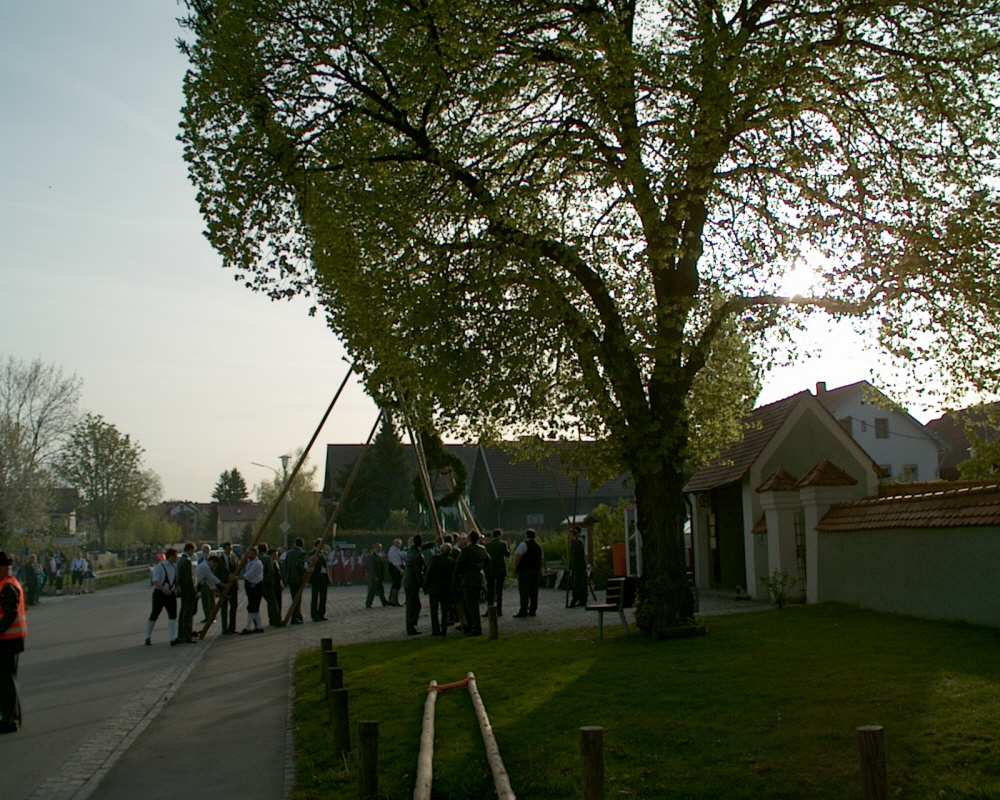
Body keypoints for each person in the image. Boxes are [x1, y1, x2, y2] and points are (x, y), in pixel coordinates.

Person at [0, 551, 26, 733]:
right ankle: (12, 718)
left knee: (6, 682)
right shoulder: (7, 583)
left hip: (8, 639)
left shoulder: (7, 586)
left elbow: (10, 614)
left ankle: (10, 721)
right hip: (10, 639)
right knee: (7, 681)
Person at [455, 531, 490, 636]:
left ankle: (475, 628)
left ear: (469, 539)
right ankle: (471, 625)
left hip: (469, 578)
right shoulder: (482, 549)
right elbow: (488, 560)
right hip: (479, 577)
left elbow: (459, 564)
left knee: (471, 606)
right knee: (474, 604)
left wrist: (460, 573)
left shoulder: (466, 550)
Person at [146, 548, 179, 645]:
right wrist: (163, 589)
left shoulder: (174, 567)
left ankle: (173, 638)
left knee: (173, 615)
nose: (177, 558)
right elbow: (155, 581)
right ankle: (148, 637)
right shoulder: (160, 567)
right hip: (159, 593)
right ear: (171, 556)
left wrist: (177, 586)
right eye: (176, 556)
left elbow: (175, 580)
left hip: (171, 593)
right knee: (154, 614)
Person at [423, 543, 454, 636]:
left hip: (434, 588)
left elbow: (429, 574)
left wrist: (425, 586)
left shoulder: (435, 560)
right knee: (445, 610)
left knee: (434, 610)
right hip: (446, 589)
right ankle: (444, 629)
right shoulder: (452, 561)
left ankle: (435, 629)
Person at [513, 529, 544, 618]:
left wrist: (515, 568)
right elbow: (541, 559)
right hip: (535, 570)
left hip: (525, 571)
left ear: (526, 535)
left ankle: (523, 610)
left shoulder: (523, 544)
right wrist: (540, 569)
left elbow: (518, 556)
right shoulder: (539, 546)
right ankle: (533, 610)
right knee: (534, 592)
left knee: (524, 591)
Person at [403, 535, 430, 635]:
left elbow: (423, 547)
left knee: (413, 605)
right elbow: (418, 572)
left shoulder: (411, 551)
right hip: (412, 583)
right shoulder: (418, 556)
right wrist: (423, 585)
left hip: (408, 582)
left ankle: (411, 625)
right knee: (414, 606)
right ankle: (411, 626)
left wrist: (435, 542)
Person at [238, 547, 266, 634]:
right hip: (250, 586)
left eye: (252, 554)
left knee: (252, 607)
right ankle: (259, 626)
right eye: (249, 553)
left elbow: (247, 575)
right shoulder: (249, 562)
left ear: (256, 554)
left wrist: (235, 578)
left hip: (256, 586)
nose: (249, 555)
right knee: (254, 608)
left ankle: (248, 627)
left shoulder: (257, 564)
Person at [484, 529, 510, 616]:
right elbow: (507, 555)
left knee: (490, 591)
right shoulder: (502, 544)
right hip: (500, 570)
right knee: (499, 591)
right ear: (499, 535)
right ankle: (499, 610)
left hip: (490, 570)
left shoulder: (487, 545)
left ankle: (489, 609)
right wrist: (508, 546)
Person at [176, 542, 198, 643]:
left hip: (184, 591)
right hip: (188, 592)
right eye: (193, 550)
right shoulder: (187, 561)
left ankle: (181, 634)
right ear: (190, 549)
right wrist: (194, 592)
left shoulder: (180, 560)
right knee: (188, 614)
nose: (194, 552)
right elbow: (189, 579)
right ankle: (187, 635)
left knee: (183, 613)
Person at [195, 554, 224, 628]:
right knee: (208, 601)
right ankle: (210, 617)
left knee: (207, 601)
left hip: (202, 584)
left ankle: (210, 616)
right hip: (200, 584)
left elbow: (209, 579)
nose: (213, 566)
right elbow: (211, 577)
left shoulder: (204, 565)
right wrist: (222, 584)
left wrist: (214, 588)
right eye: (214, 564)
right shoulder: (205, 566)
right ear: (212, 561)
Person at [218, 542, 240, 634]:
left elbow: (237, 568)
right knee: (224, 607)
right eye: (228, 549)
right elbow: (217, 574)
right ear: (224, 549)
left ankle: (232, 627)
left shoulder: (234, 557)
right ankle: (224, 628)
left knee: (234, 606)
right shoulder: (220, 560)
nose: (229, 551)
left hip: (233, 586)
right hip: (224, 586)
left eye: (230, 549)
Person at [284, 538, 307, 624]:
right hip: (297, 578)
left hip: (290, 578)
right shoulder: (301, 553)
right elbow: (298, 565)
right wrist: (305, 570)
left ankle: (297, 615)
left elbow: (286, 565)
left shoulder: (289, 553)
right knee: (297, 598)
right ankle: (295, 616)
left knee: (294, 597)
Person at [309, 539, 329, 621]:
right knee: (315, 596)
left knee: (323, 597)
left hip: (323, 576)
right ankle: (314, 614)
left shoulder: (324, 554)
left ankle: (321, 613)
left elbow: (327, 566)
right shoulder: (313, 553)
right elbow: (309, 561)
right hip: (316, 577)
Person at [568, 526, 589, 607]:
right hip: (576, 566)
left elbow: (575, 551)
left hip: (579, 566)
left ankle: (575, 599)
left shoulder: (578, 542)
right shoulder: (576, 542)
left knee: (577, 584)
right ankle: (582, 599)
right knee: (581, 584)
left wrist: (572, 542)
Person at [264, 548, 284, 627]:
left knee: (278, 602)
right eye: (274, 555)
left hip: (278, 585)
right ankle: (273, 619)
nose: (276, 556)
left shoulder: (276, 563)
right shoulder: (269, 563)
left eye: (276, 554)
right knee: (273, 603)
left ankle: (278, 617)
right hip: (272, 585)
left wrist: (281, 583)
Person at [365, 543, 388, 608]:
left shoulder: (378, 555)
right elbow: (371, 567)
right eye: (378, 547)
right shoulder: (371, 556)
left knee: (381, 590)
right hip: (374, 576)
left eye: (380, 547)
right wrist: (374, 576)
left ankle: (384, 602)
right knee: (372, 590)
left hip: (379, 576)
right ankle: (368, 603)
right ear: (375, 547)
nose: (380, 549)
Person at [387, 538, 404, 606]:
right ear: (394, 543)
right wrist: (400, 569)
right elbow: (394, 561)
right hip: (395, 568)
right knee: (396, 583)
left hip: (396, 567)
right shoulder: (393, 551)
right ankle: (394, 600)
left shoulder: (397, 550)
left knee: (395, 583)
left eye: (399, 543)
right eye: (397, 543)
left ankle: (391, 599)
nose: (399, 544)